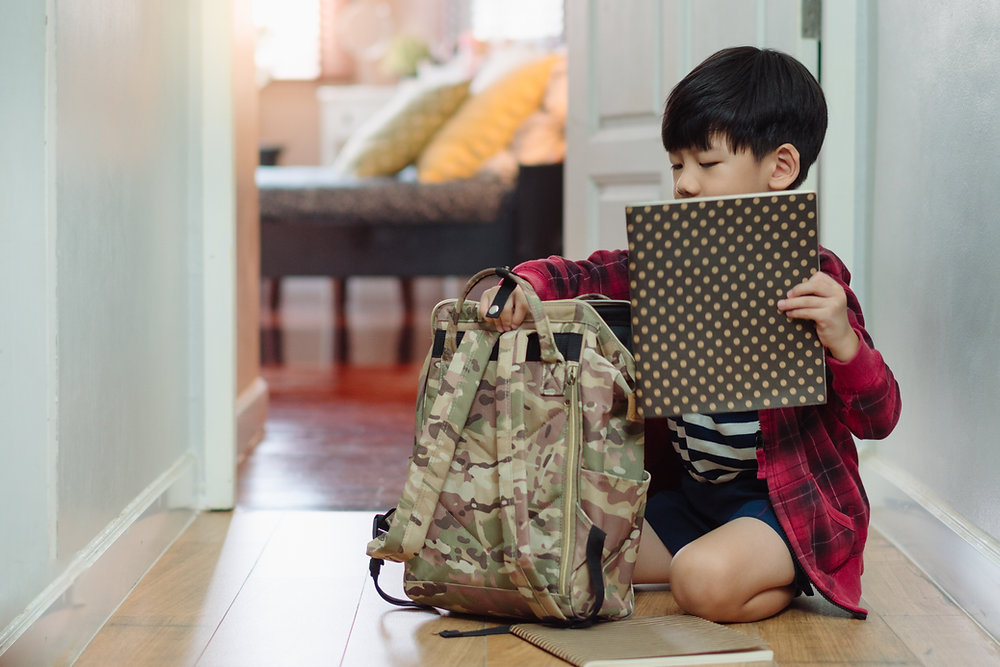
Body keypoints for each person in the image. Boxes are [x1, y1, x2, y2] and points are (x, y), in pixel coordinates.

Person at [479, 46, 901, 623]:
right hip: (696, 502)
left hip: (785, 507)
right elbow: (590, 273)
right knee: (563, 552)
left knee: (699, 582)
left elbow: (879, 419)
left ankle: (796, 574)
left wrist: (844, 343)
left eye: (707, 164)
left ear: (779, 168)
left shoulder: (816, 279)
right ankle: (723, 563)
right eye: (678, 166)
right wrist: (523, 283)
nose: (686, 185)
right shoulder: (670, 258)